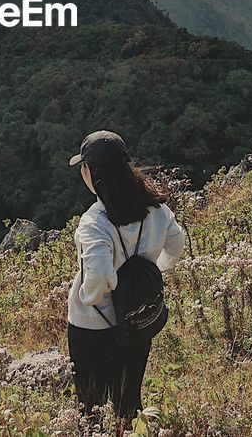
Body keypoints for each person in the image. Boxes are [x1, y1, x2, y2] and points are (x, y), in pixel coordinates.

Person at [66, 130, 187, 422]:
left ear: (90, 171)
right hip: (138, 314)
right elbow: (177, 244)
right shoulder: (156, 209)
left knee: (91, 406)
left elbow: (96, 279)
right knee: (128, 400)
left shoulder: (95, 222)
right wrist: (147, 273)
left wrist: (91, 297)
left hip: (92, 327)